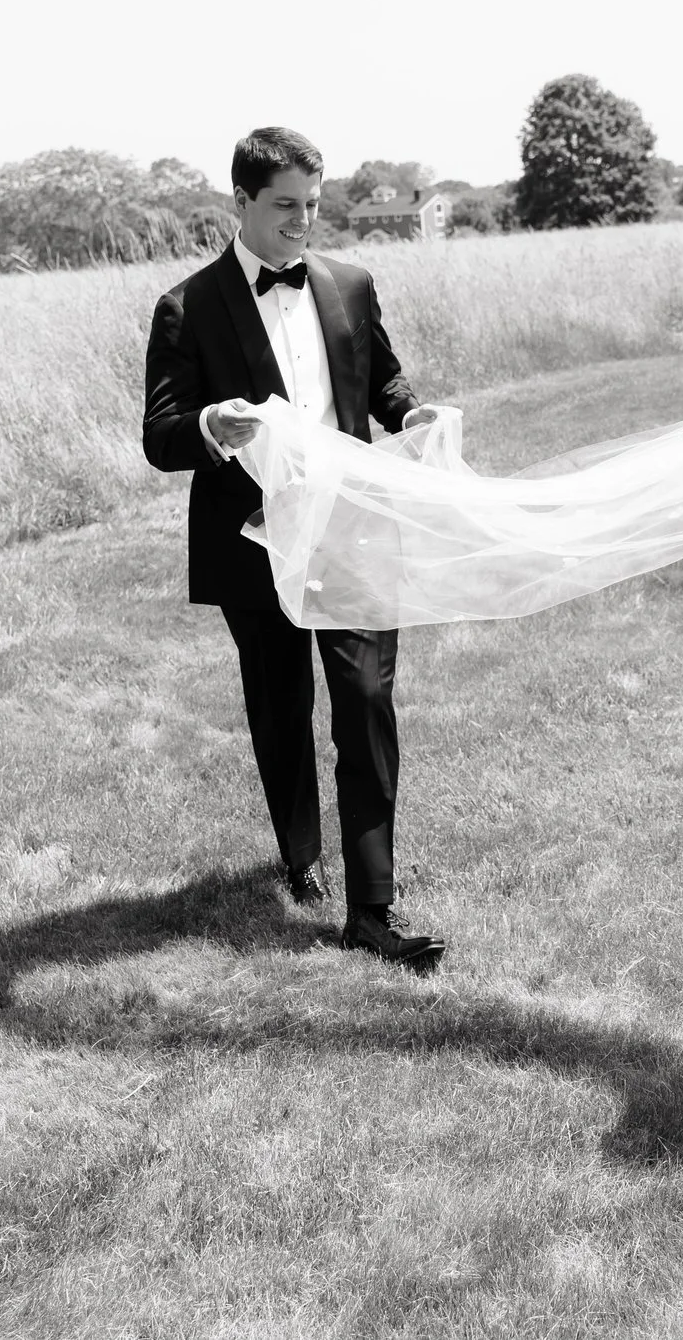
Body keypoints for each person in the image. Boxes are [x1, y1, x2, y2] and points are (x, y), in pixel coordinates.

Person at [141, 126, 448, 969]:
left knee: (366, 700)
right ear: (240, 201)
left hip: (353, 528)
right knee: (281, 708)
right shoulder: (187, 307)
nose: (303, 220)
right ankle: (301, 854)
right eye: (285, 205)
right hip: (255, 543)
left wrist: (409, 412)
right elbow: (161, 434)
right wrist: (211, 423)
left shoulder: (351, 283)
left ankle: (372, 908)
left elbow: (379, 380)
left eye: (312, 204)